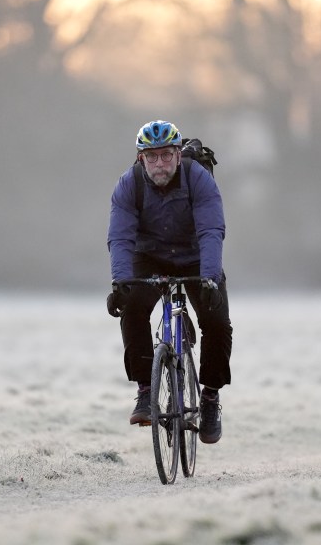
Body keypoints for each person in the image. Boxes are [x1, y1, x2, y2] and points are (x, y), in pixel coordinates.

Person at [106, 120, 233, 444]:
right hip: (149, 255)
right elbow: (120, 237)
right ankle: (146, 391)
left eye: (166, 155)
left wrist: (210, 279)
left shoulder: (198, 179)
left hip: (195, 256)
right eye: (152, 157)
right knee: (132, 309)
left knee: (216, 323)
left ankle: (210, 398)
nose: (159, 163)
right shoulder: (128, 185)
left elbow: (210, 231)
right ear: (141, 159)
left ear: (178, 155)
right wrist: (120, 283)